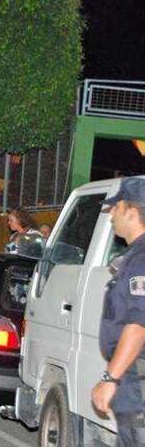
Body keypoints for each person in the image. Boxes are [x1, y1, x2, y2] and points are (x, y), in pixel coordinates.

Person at [91, 178, 145, 445]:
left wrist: (110, 378)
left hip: (138, 382)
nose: (111, 214)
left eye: (116, 208)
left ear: (132, 211)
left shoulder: (141, 259)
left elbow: (138, 324)